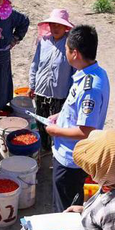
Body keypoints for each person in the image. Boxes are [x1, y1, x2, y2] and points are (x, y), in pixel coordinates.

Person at [44, 25, 110, 230]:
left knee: (68, 207)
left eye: (66, 49)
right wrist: (60, 116)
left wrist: (54, 131)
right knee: (60, 199)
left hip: (72, 159)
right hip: (65, 153)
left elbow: (86, 131)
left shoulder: (90, 87)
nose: (65, 53)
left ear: (75, 53)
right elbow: (75, 113)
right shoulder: (90, 73)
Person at [29, 9, 75, 152]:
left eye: (59, 25)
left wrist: (72, 93)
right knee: (41, 121)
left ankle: (57, 149)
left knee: (58, 123)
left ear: (65, 27)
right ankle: (45, 147)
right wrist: (32, 85)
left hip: (60, 94)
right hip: (41, 91)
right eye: (53, 24)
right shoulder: (43, 42)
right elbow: (35, 64)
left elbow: (74, 72)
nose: (55, 28)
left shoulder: (70, 46)